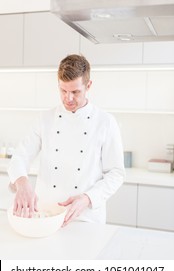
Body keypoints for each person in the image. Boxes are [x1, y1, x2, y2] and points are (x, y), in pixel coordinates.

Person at [8, 54, 125, 226]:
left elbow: (116, 173)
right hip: (45, 215)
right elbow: (20, 156)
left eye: (75, 92)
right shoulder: (45, 119)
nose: (68, 98)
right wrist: (22, 183)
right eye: (63, 90)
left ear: (88, 85)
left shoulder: (105, 122)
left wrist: (88, 198)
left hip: (86, 217)